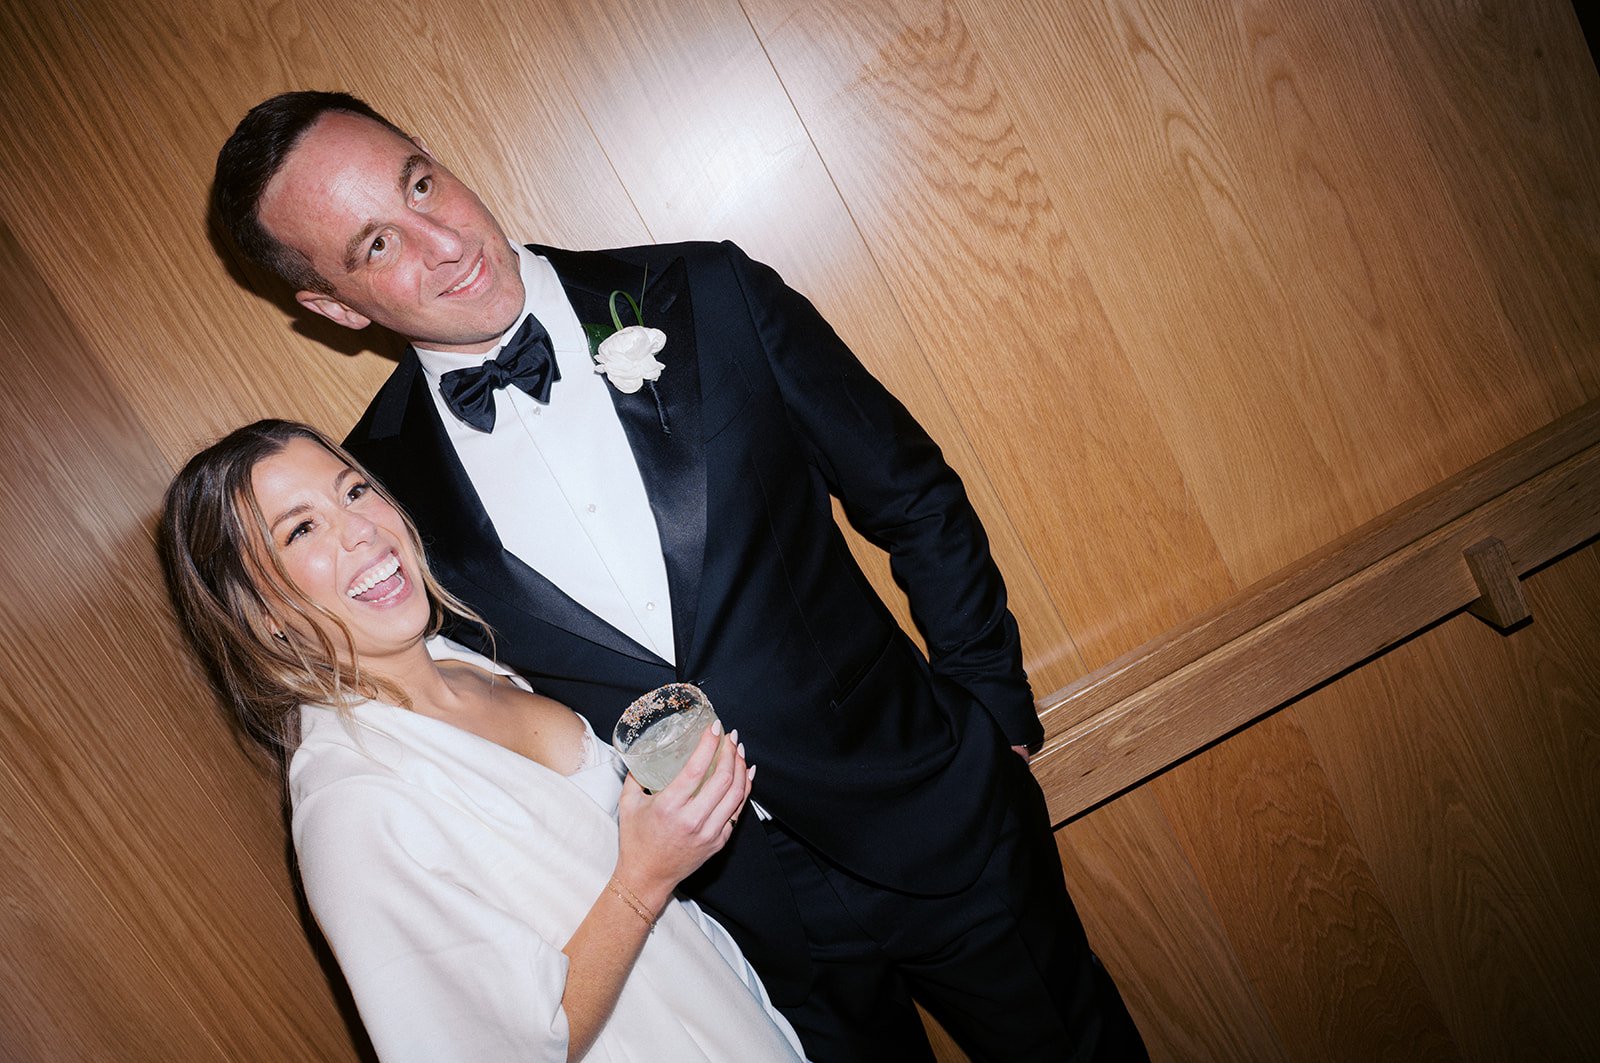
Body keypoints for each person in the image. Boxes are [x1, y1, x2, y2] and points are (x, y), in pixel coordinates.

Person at [212, 91, 1147, 1061]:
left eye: (421, 183)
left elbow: (911, 496)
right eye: (375, 246)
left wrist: (991, 712)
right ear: (331, 306)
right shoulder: (380, 486)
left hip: (935, 815)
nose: (443, 242)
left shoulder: (705, 293)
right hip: (731, 923)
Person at [160, 418, 809, 1063]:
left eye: (353, 490)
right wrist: (645, 876)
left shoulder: (463, 660)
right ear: (261, 613)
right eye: (302, 529)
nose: (361, 530)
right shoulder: (349, 807)